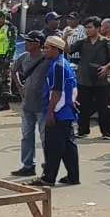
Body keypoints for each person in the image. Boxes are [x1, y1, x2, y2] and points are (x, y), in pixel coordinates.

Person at [31, 35, 80, 187]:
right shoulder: (64, 64)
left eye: (46, 47)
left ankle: (48, 178)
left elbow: (56, 92)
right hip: (66, 111)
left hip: (58, 112)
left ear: (54, 49)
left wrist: (51, 112)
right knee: (67, 147)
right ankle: (73, 176)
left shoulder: (58, 66)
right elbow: (73, 88)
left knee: (53, 146)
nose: (43, 50)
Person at [72, 16, 110, 139]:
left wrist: (106, 67)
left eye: (90, 27)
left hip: (101, 80)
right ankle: (83, 131)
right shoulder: (82, 42)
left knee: (104, 107)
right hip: (84, 79)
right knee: (83, 107)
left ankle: (106, 132)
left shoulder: (106, 42)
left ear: (98, 28)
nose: (87, 30)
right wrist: (64, 37)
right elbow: (68, 50)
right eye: (86, 28)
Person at [12, 31, 49, 177]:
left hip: (43, 104)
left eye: (29, 41)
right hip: (27, 103)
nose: (26, 43)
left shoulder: (47, 59)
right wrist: (20, 87)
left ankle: (48, 164)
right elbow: (14, 70)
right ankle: (28, 165)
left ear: (38, 44)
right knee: (26, 136)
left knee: (45, 137)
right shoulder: (23, 57)